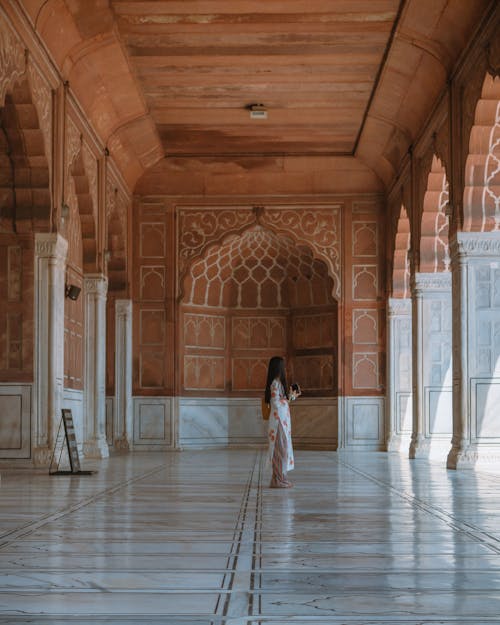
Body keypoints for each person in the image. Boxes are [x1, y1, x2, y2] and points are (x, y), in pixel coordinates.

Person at [264, 356, 300, 488]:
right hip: (278, 422)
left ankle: (280, 478)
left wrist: (290, 397)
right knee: (280, 450)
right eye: (283, 366)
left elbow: (282, 401)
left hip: (282, 421)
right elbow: (276, 403)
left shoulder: (278, 384)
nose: (284, 369)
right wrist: (285, 400)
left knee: (283, 450)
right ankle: (277, 480)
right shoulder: (274, 384)